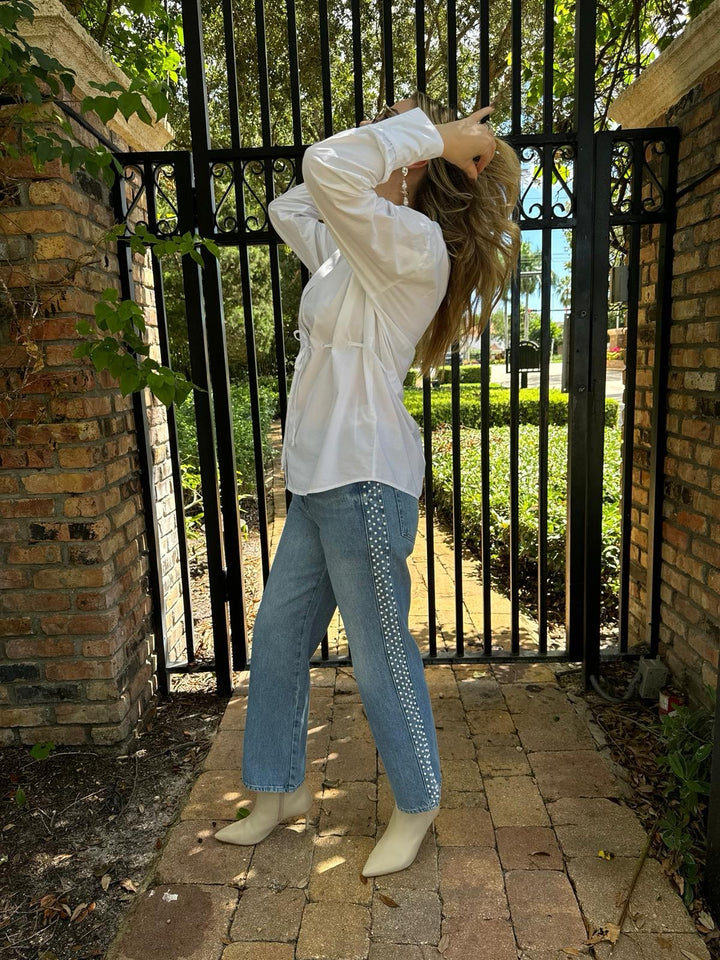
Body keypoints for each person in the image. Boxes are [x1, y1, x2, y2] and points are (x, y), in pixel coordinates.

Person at [214, 91, 521, 877]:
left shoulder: (412, 245)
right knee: (279, 638)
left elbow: (326, 165)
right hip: (318, 483)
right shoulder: (346, 248)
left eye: (391, 123)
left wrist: (434, 135)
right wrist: (403, 137)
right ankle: (277, 790)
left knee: (381, 653)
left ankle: (417, 803)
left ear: (414, 163)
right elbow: (296, 195)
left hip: (367, 482)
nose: (375, 128)